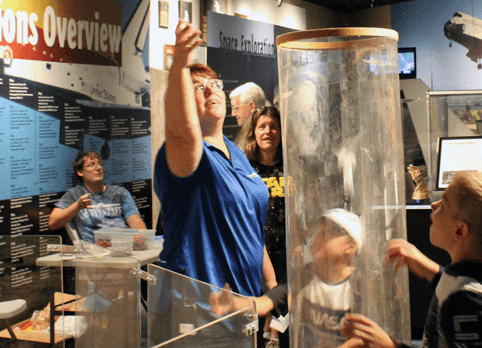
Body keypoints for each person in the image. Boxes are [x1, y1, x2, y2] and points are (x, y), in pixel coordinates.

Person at [154, 20, 276, 298]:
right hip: (198, 309)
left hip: (244, 303)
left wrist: (270, 287)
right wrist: (180, 63)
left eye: (215, 84)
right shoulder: (187, 156)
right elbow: (181, 133)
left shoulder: (237, 154)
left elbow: (249, 226)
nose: (210, 90)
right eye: (198, 87)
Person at [340, 171, 482, 348]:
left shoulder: (466, 301)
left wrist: (391, 346)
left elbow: (465, 296)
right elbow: (466, 285)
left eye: (443, 204)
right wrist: (427, 268)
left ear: (459, 230)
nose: (433, 205)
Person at [211, 208, 365, 348]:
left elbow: (362, 338)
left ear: (351, 247)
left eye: (325, 234)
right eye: (317, 232)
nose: (315, 238)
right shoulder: (305, 274)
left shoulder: (359, 287)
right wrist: (234, 303)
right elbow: (265, 302)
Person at [241, 106, 288, 347]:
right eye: (262, 127)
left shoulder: (291, 164)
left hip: (288, 254)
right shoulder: (245, 168)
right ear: (254, 132)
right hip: (256, 254)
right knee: (257, 318)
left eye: (273, 127)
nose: (268, 132)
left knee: (286, 316)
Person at [49, 150, 146, 243]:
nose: (98, 168)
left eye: (99, 164)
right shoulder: (74, 194)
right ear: (80, 172)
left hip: (124, 244)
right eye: (91, 165)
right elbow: (53, 223)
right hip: (96, 249)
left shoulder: (120, 192)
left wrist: (141, 238)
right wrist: (77, 206)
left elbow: (135, 221)